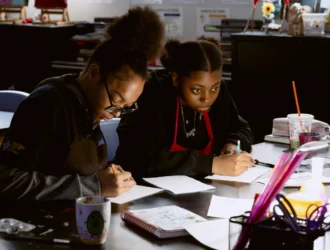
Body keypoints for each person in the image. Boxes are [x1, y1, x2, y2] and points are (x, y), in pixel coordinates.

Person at [0, 6, 165, 200]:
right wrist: (94, 186)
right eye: (117, 101)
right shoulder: (47, 105)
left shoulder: (90, 105)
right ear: (94, 73)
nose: (118, 113)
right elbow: (7, 179)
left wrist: (108, 174)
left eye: (126, 107)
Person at [114, 37, 254, 181]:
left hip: (199, 186)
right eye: (196, 90)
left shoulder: (219, 93)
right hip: (142, 188)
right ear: (175, 79)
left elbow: (241, 128)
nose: (207, 98)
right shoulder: (150, 93)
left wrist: (231, 145)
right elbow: (141, 157)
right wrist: (212, 164)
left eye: (214, 88)